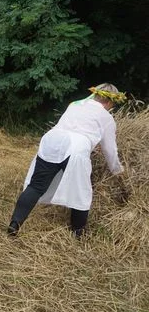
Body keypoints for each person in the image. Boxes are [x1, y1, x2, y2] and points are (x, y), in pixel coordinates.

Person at [7, 84, 128, 238]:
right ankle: (78, 233)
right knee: (81, 191)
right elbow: (109, 150)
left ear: (96, 95)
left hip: (51, 140)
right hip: (76, 148)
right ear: (110, 102)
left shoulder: (75, 105)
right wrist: (117, 170)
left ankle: (14, 223)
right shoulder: (107, 118)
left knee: (36, 186)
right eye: (113, 105)